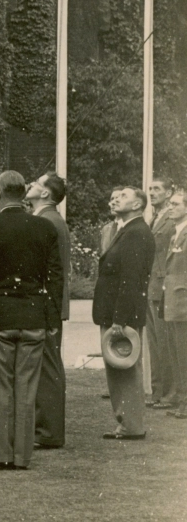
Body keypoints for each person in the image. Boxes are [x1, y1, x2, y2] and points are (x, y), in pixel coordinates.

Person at [0, 171, 63, 470]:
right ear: (23, 194)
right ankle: (21, 456)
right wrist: (51, 318)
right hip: (34, 317)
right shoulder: (44, 228)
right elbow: (55, 276)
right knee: (26, 389)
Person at [94, 184, 155, 440]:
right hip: (116, 314)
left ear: (138, 205)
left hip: (122, 317)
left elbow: (130, 279)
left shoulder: (136, 232)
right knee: (119, 369)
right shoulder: (128, 230)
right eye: (115, 196)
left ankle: (131, 425)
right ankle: (126, 423)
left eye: (124, 196)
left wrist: (119, 319)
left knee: (125, 370)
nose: (116, 199)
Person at [25, 173, 72, 449]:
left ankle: (48, 432)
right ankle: (45, 429)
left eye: (36, 183)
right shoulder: (51, 219)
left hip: (45, 305)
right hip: (48, 304)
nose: (30, 185)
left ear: (45, 194)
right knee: (47, 366)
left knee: (48, 367)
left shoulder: (46, 221)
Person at [146, 177, 177, 409]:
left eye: (157, 189)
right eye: (150, 189)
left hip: (163, 287)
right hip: (149, 288)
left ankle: (169, 393)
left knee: (165, 342)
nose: (151, 193)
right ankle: (157, 391)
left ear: (168, 193)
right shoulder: (153, 218)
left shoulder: (172, 218)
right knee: (154, 342)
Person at [159, 191, 187, 419]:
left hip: (183, 302)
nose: (170, 207)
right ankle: (181, 400)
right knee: (177, 353)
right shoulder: (176, 233)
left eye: (176, 204)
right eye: (169, 204)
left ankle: (185, 403)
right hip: (173, 301)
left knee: (183, 353)